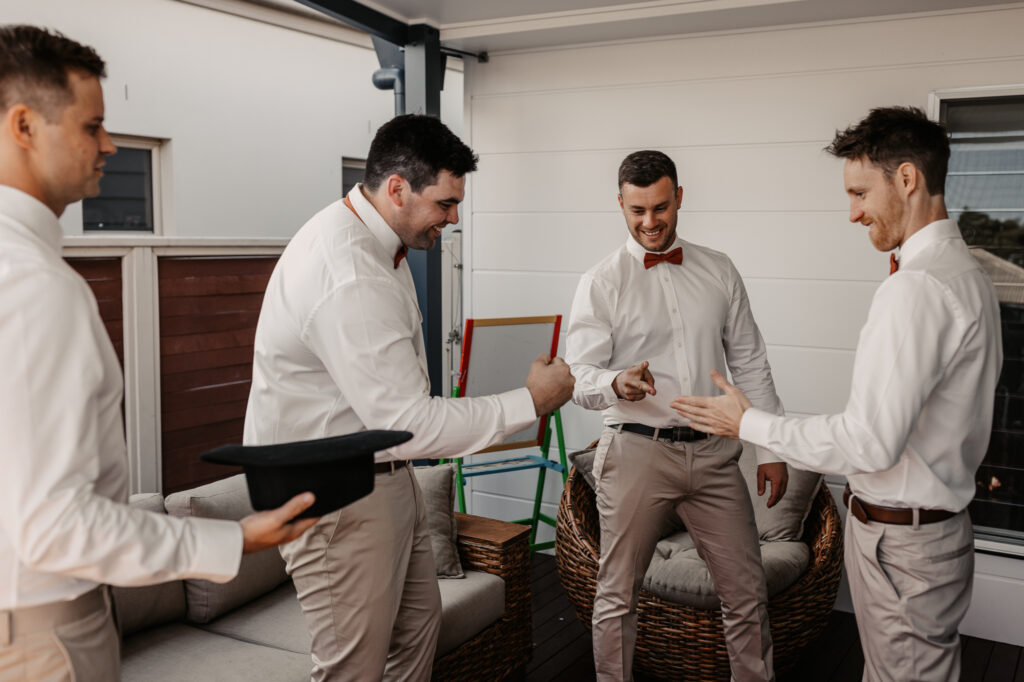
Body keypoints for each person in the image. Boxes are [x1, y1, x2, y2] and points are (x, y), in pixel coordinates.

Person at [0, 25, 320, 682]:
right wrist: (235, 538)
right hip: (43, 631)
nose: (111, 146)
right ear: (25, 126)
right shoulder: (34, 286)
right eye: (93, 127)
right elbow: (55, 526)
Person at [672, 106, 1002, 682]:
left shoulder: (917, 289)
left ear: (906, 178)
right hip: (934, 536)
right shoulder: (970, 274)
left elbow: (868, 442)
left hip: (904, 549)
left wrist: (748, 423)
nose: (852, 213)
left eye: (858, 193)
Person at [243, 113, 575, 681]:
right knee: (354, 669)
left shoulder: (375, 243)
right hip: (331, 497)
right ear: (396, 188)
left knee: (420, 627)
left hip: (385, 481)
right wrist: (530, 402)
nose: (452, 218)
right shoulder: (348, 271)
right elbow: (408, 423)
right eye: (445, 204)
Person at [565, 149, 788, 682]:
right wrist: (615, 382)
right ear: (620, 204)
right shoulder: (601, 282)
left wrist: (772, 449)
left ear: (679, 198)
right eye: (637, 210)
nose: (649, 222)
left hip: (715, 455)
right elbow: (578, 376)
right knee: (617, 595)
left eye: (660, 207)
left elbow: (751, 362)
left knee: (747, 593)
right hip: (636, 452)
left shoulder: (719, 269)